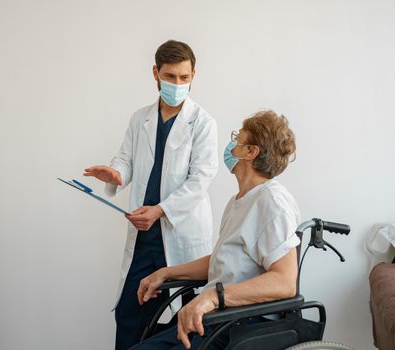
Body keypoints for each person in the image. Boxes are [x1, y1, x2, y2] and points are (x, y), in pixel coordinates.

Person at [83, 40, 218, 350]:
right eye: (170, 76)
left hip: (182, 235)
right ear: (155, 73)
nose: (177, 84)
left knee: (185, 321)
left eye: (184, 77)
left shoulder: (203, 123)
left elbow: (201, 179)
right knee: (131, 314)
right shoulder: (139, 118)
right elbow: (125, 160)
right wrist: (116, 175)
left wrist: (160, 210)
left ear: (193, 75)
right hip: (145, 238)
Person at [130, 110, 300, 350]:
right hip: (215, 320)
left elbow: (284, 282)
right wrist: (167, 272)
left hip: (240, 326)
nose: (231, 144)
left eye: (237, 138)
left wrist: (212, 297)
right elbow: (222, 261)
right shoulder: (238, 201)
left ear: (251, 152)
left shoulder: (271, 201)